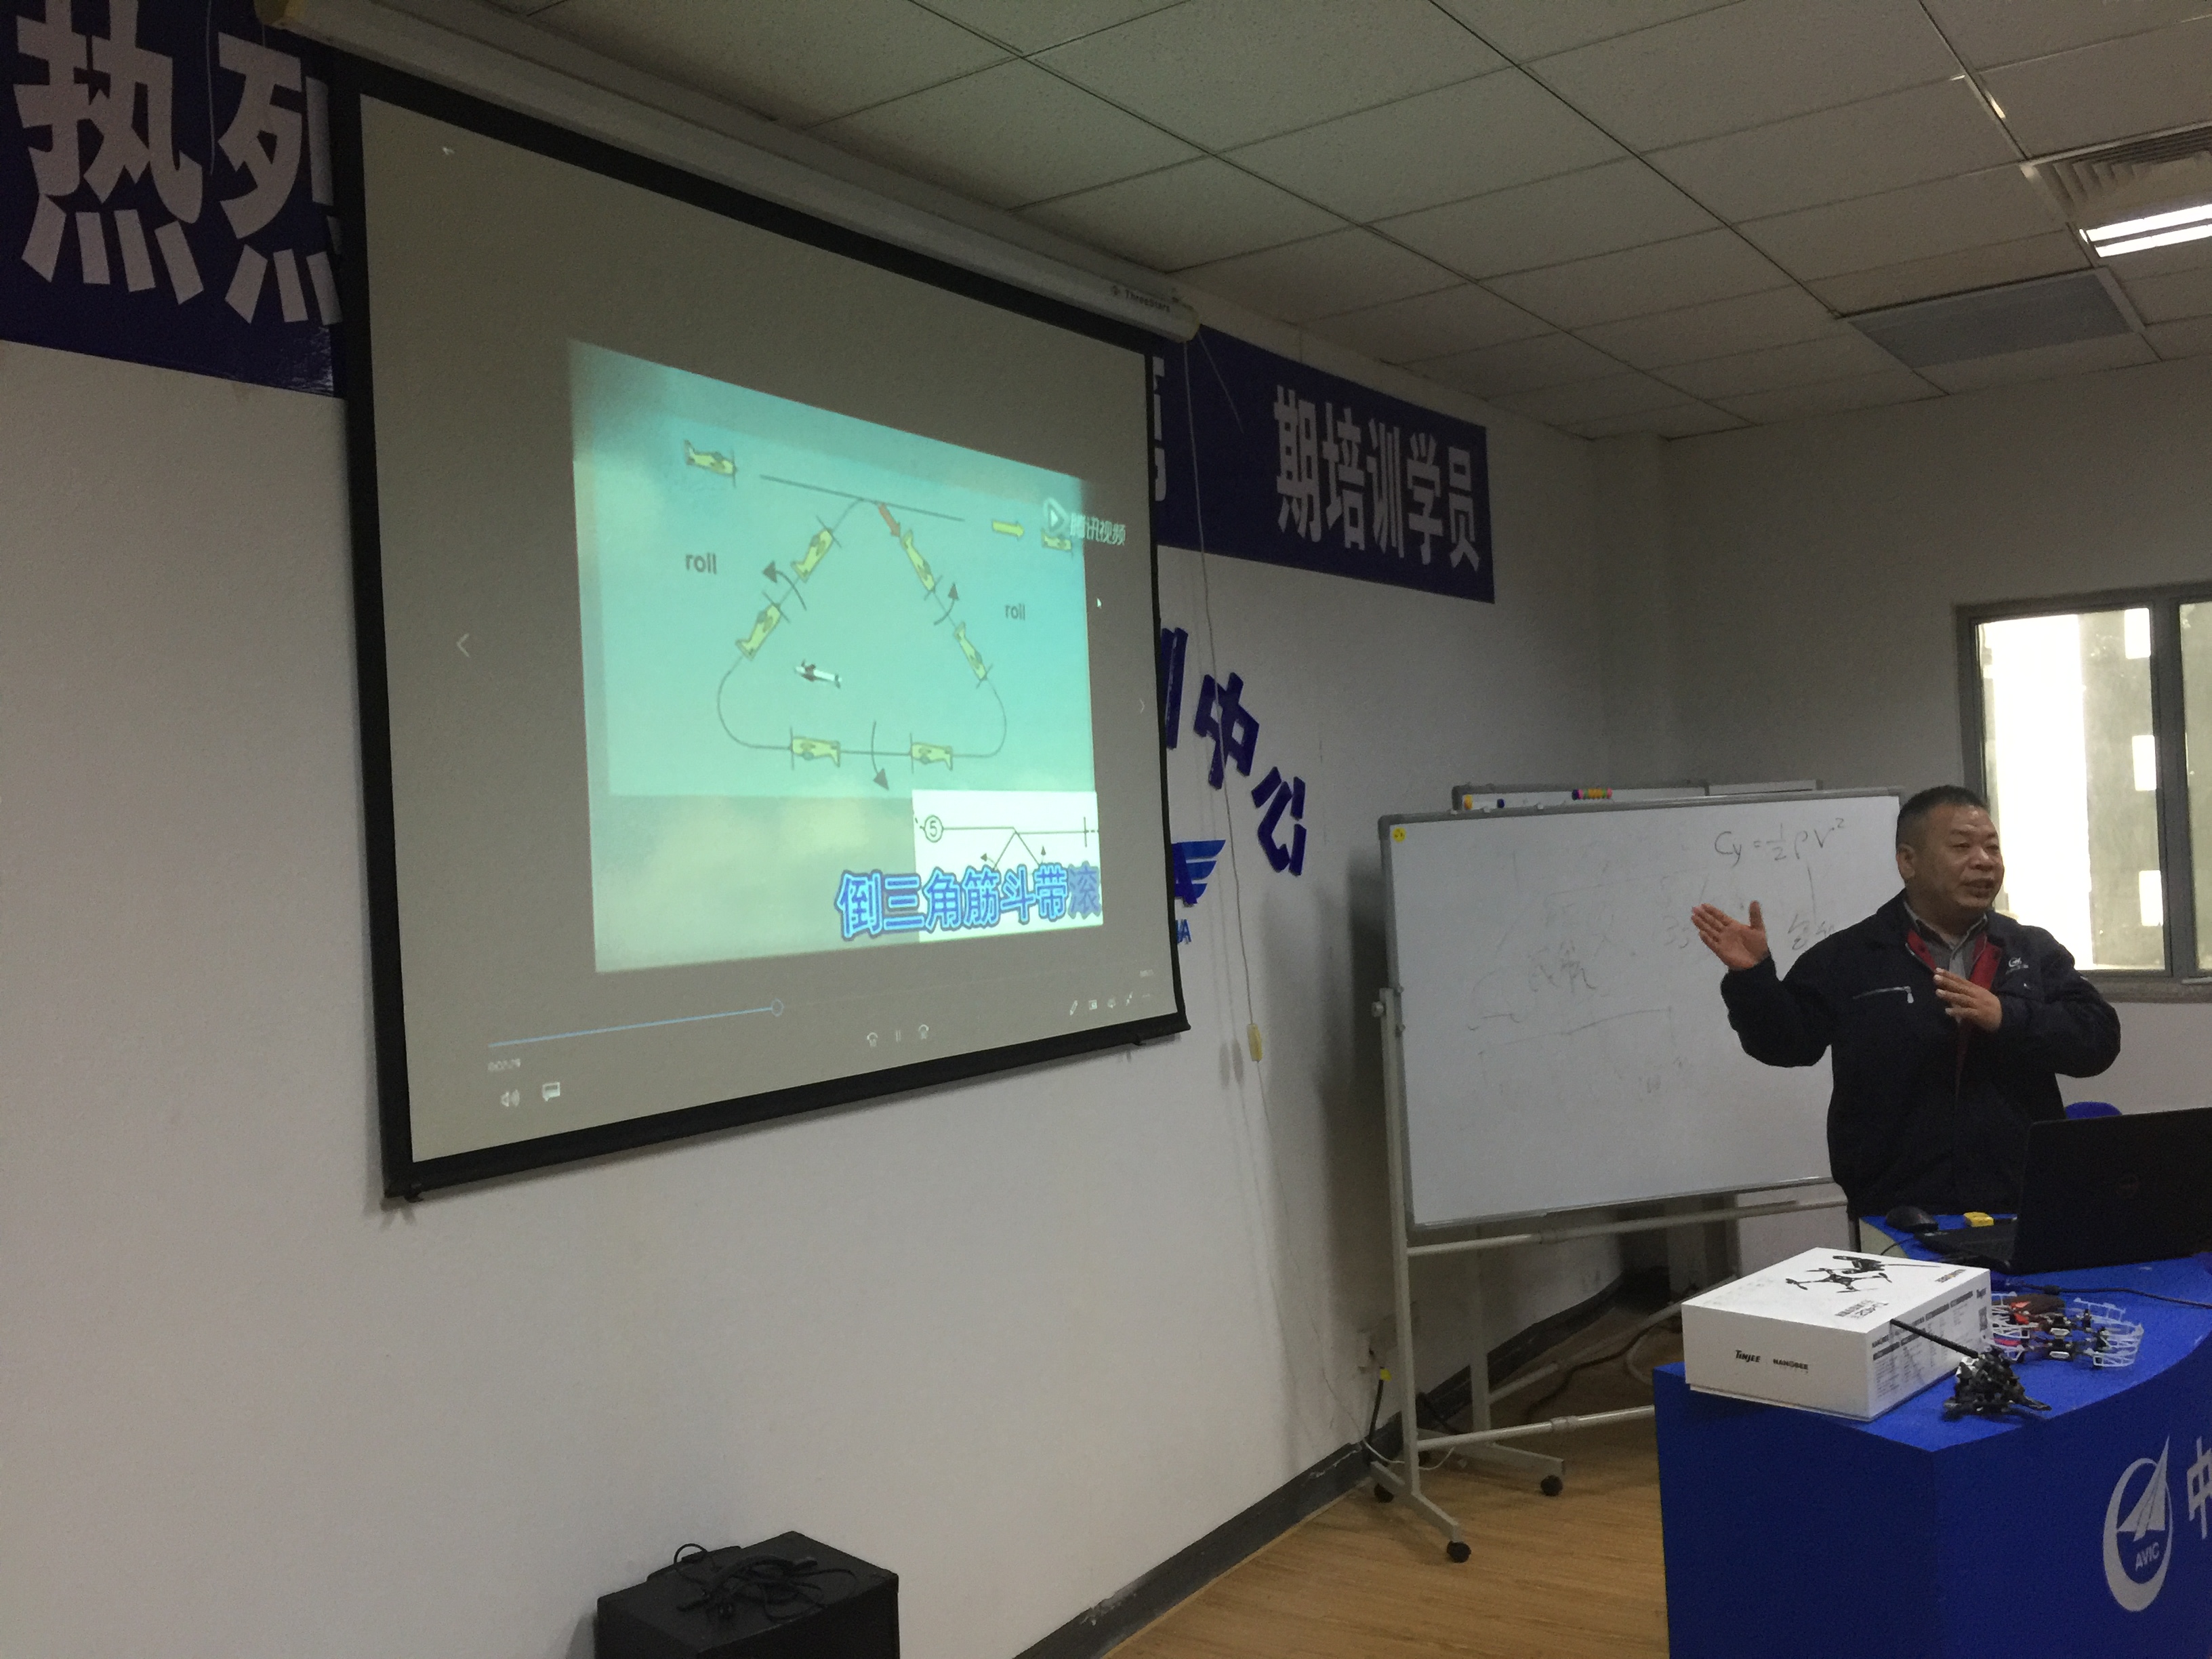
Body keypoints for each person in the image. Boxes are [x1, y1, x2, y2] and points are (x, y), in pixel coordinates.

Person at [1690, 785, 2120, 1218]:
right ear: (1908, 862)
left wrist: (2006, 1016)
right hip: (1896, 1209)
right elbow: (1787, 1045)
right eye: (1962, 847)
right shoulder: (1852, 955)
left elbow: (2098, 1040)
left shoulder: (2029, 949)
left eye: (1992, 847)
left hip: (2019, 1200)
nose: (1984, 861)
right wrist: (1754, 978)